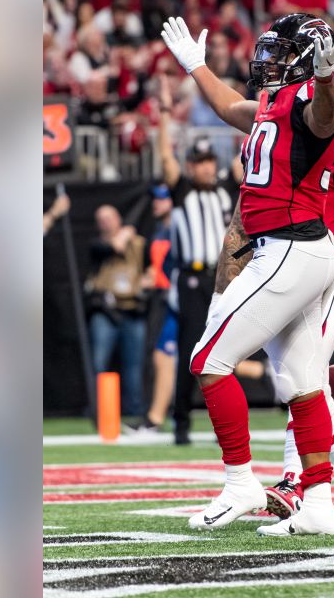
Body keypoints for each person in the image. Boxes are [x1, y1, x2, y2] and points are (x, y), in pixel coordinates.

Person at [161, 12, 334, 537]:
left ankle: (241, 482)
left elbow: (325, 115)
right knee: (303, 382)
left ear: (309, 61)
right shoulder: (272, 103)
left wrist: (328, 78)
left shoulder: (315, 103)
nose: (269, 62)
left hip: (293, 247)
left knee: (208, 359)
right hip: (293, 250)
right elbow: (226, 106)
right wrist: (196, 66)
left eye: (283, 54)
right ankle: (318, 503)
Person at [208, 123, 334, 525]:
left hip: (329, 270)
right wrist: (220, 294)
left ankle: (319, 485)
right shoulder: (272, 140)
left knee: (305, 380)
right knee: (295, 381)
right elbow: (240, 228)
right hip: (281, 270)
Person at [154, 75, 236, 445]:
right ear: (191, 166)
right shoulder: (183, 189)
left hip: (222, 281)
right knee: (192, 349)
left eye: (208, 161)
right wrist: (166, 113)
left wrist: (266, 104)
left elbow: (248, 152)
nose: (205, 167)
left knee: (226, 351)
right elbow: (165, 157)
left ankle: (227, 424)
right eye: (199, 162)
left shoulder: (224, 190)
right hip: (190, 279)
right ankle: (182, 422)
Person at [85, 205, 148, 418]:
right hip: (106, 311)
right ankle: (99, 411)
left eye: (109, 218)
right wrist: (125, 233)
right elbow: (115, 247)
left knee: (134, 366)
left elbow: (150, 268)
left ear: (119, 218)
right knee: (99, 363)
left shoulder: (139, 244)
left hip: (132, 309)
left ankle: (135, 411)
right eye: (101, 219)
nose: (106, 223)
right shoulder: (97, 245)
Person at [133, 184, 178, 434]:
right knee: (163, 356)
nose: (156, 204)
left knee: (211, 358)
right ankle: (156, 417)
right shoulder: (160, 230)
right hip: (165, 298)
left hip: (183, 297)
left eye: (161, 199)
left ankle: (156, 418)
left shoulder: (179, 227)